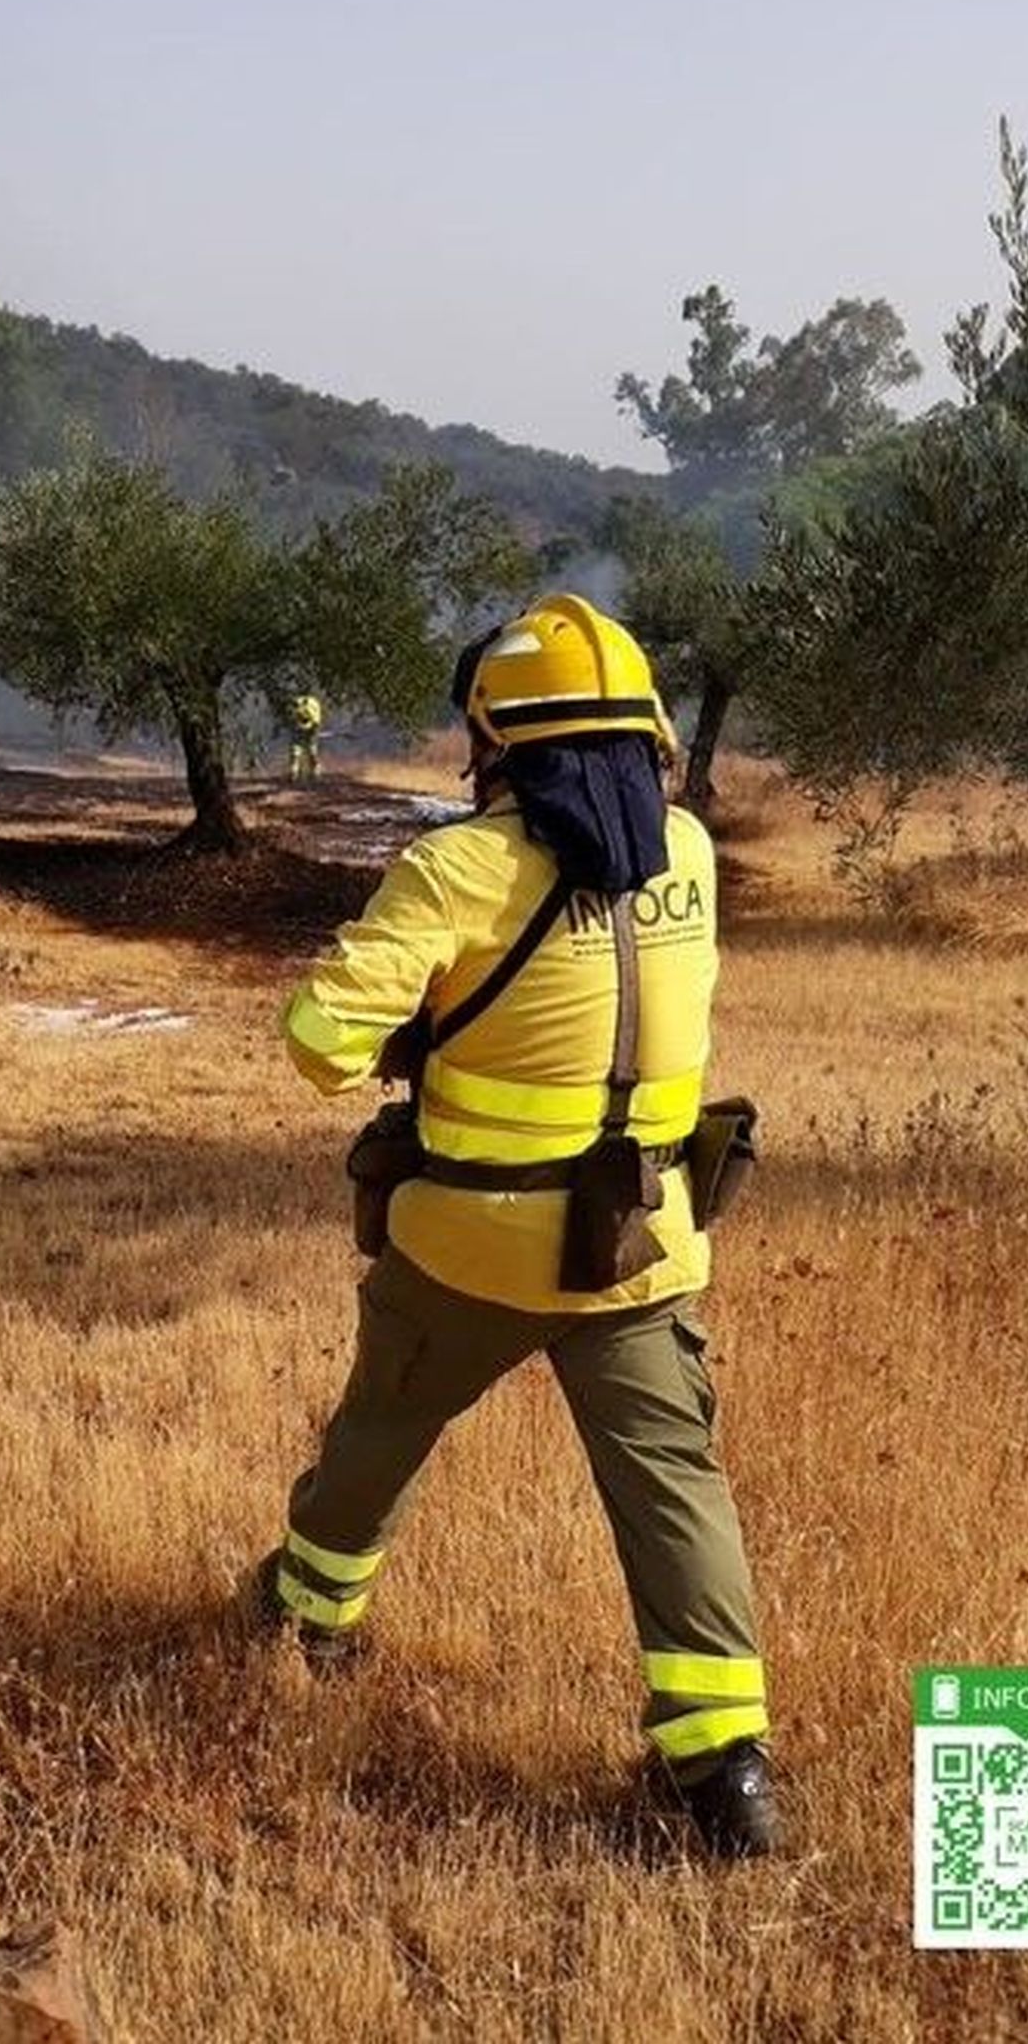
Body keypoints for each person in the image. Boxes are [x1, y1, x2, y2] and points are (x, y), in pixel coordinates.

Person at [260, 593, 779, 1858]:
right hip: (638, 1248)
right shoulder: (693, 856)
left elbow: (320, 1044)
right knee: (674, 1492)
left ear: (499, 743)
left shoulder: (455, 866)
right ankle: (723, 1767)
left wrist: (416, 1019)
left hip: (469, 1245)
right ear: (647, 735)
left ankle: (307, 1618)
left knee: (382, 1423)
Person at [287, 693, 323, 783]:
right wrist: (297, 728)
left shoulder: (311, 708)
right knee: (295, 752)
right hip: (298, 730)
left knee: (312, 751)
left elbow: (316, 722)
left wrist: (311, 731)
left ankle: (315, 772)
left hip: (311, 730)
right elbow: (293, 721)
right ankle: (294, 773)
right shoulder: (294, 709)